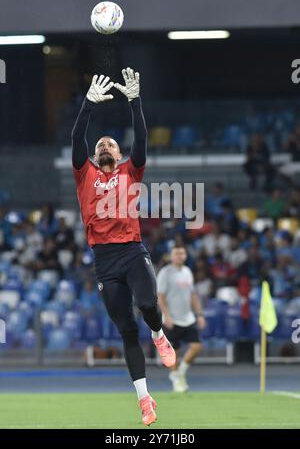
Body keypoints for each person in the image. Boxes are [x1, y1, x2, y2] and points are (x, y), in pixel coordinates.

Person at [71, 68, 176, 426]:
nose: (104, 147)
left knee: (148, 304)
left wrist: (135, 102)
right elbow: (76, 140)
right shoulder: (85, 174)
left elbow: (142, 139)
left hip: (132, 251)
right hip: (104, 261)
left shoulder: (131, 171)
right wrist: (87, 105)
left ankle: (160, 336)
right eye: (100, 145)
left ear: (120, 153)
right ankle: (145, 400)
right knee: (127, 330)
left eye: (111, 144)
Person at [157, 245, 206, 392]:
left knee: (197, 346)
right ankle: (176, 380)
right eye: (176, 253)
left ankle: (180, 372)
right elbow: (160, 297)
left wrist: (199, 315)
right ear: (171, 256)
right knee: (174, 353)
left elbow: (193, 295)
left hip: (188, 318)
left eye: (182, 253)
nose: (180, 255)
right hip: (172, 319)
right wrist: (167, 316)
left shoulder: (187, 272)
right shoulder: (165, 273)